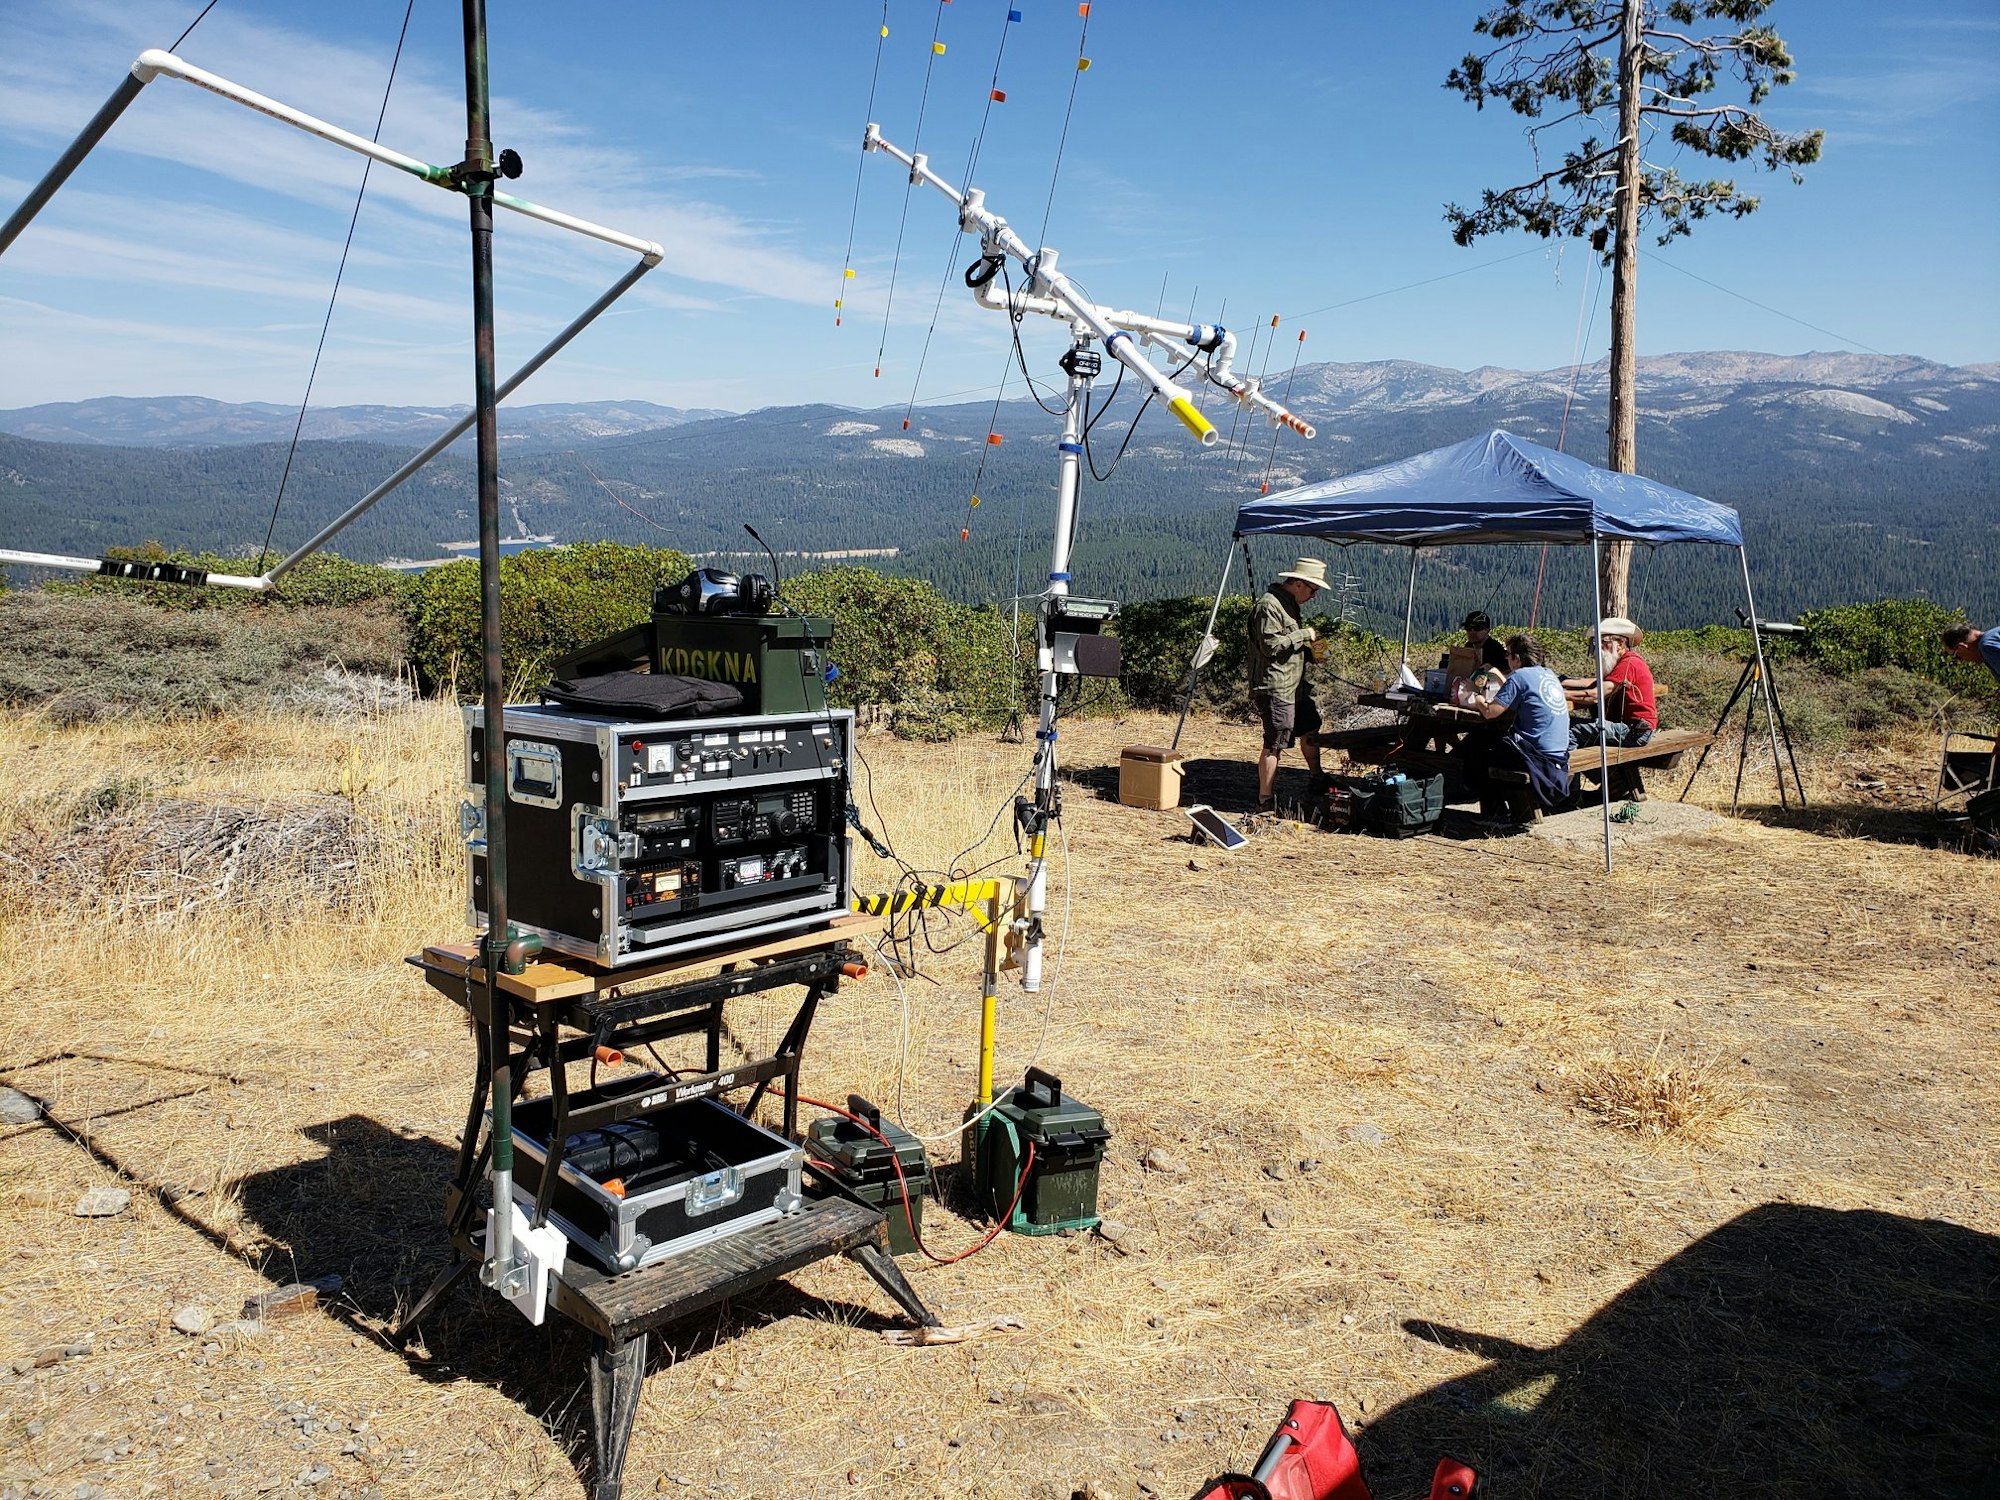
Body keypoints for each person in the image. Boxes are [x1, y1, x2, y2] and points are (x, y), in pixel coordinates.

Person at [1248, 556, 1328, 812]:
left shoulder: (1290, 604)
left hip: (1295, 686)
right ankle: (1265, 799)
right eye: (1313, 590)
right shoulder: (1268, 606)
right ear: (1298, 583)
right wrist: (1305, 635)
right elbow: (1270, 646)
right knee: (1275, 743)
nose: (1314, 596)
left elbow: (1285, 645)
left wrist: (1310, 653)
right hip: (1277, 687)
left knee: (1310, 727)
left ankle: (1317, 777)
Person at [1471, 633, 1572, 817]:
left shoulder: (1518, 676)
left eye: (1508, 654)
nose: (1507, 658)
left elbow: (1489, 712)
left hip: (1536, 756)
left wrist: (1476, 698)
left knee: (1481, 748)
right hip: (1559, 755)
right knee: (1493, 744)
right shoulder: (1548, 674)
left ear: (1516, 658)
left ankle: (1494, 814)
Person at [1563, 616, 1657, 750]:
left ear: (1619, 644)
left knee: (1565, 728)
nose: (1598, 647)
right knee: (1576, 728)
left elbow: (1595, 695)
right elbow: (1598, 682)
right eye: (1596, 642)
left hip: (1633, 732)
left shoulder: (1629, 663)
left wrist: (1558, 694)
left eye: (1604, 641)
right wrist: (1565, 682)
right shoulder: (1625, 662)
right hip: (1635, 729)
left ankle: (1565, 768)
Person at [1943, 621, 2000, 690]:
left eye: (1956, 656)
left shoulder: (1987, 647)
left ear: (1961, 647)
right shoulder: (1994, 636)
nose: (1960, 661)